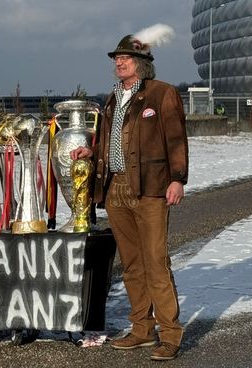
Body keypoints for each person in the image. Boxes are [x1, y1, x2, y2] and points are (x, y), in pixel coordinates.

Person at [71, 25, 188, 361]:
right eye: (118, 58)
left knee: (156, 263)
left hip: (150, 188)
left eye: (127, 58)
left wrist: (177, 178)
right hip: (115, 188)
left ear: (143, 63)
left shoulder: (162, 94)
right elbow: (108, 140)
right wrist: (91, 153)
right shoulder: (111, 98)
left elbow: (177, 140)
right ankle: (141, 330)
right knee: (133, 263)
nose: (120, 63)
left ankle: (170, 334)